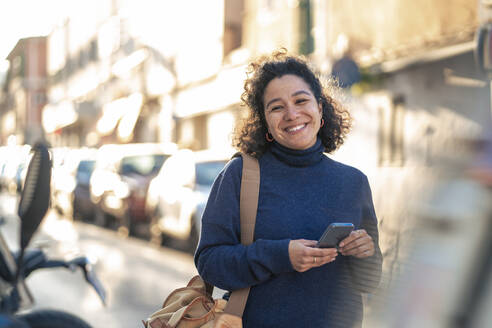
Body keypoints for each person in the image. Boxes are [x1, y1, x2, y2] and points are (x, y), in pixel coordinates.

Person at [194, 49, 382, 328]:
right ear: (266, 123)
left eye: (301, 100)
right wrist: (281, 255)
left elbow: (369, 282)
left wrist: (366, 252)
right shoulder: (240, 175)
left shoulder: (353, 182)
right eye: (277, 107)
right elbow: (210, 263)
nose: (292, 114)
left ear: (320, 109)